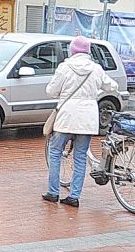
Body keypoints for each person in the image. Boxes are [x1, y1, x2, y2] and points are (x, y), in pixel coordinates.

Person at [44, 36, 120, 207]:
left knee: (55, 152)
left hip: (66, 117)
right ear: (87, 51)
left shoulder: (65, 67)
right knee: (80, 157)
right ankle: (74, 197)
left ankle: (53, 192)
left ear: (72, 51)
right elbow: (111, 86)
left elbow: (51, 90)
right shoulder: (96, 69)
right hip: (88, 119)